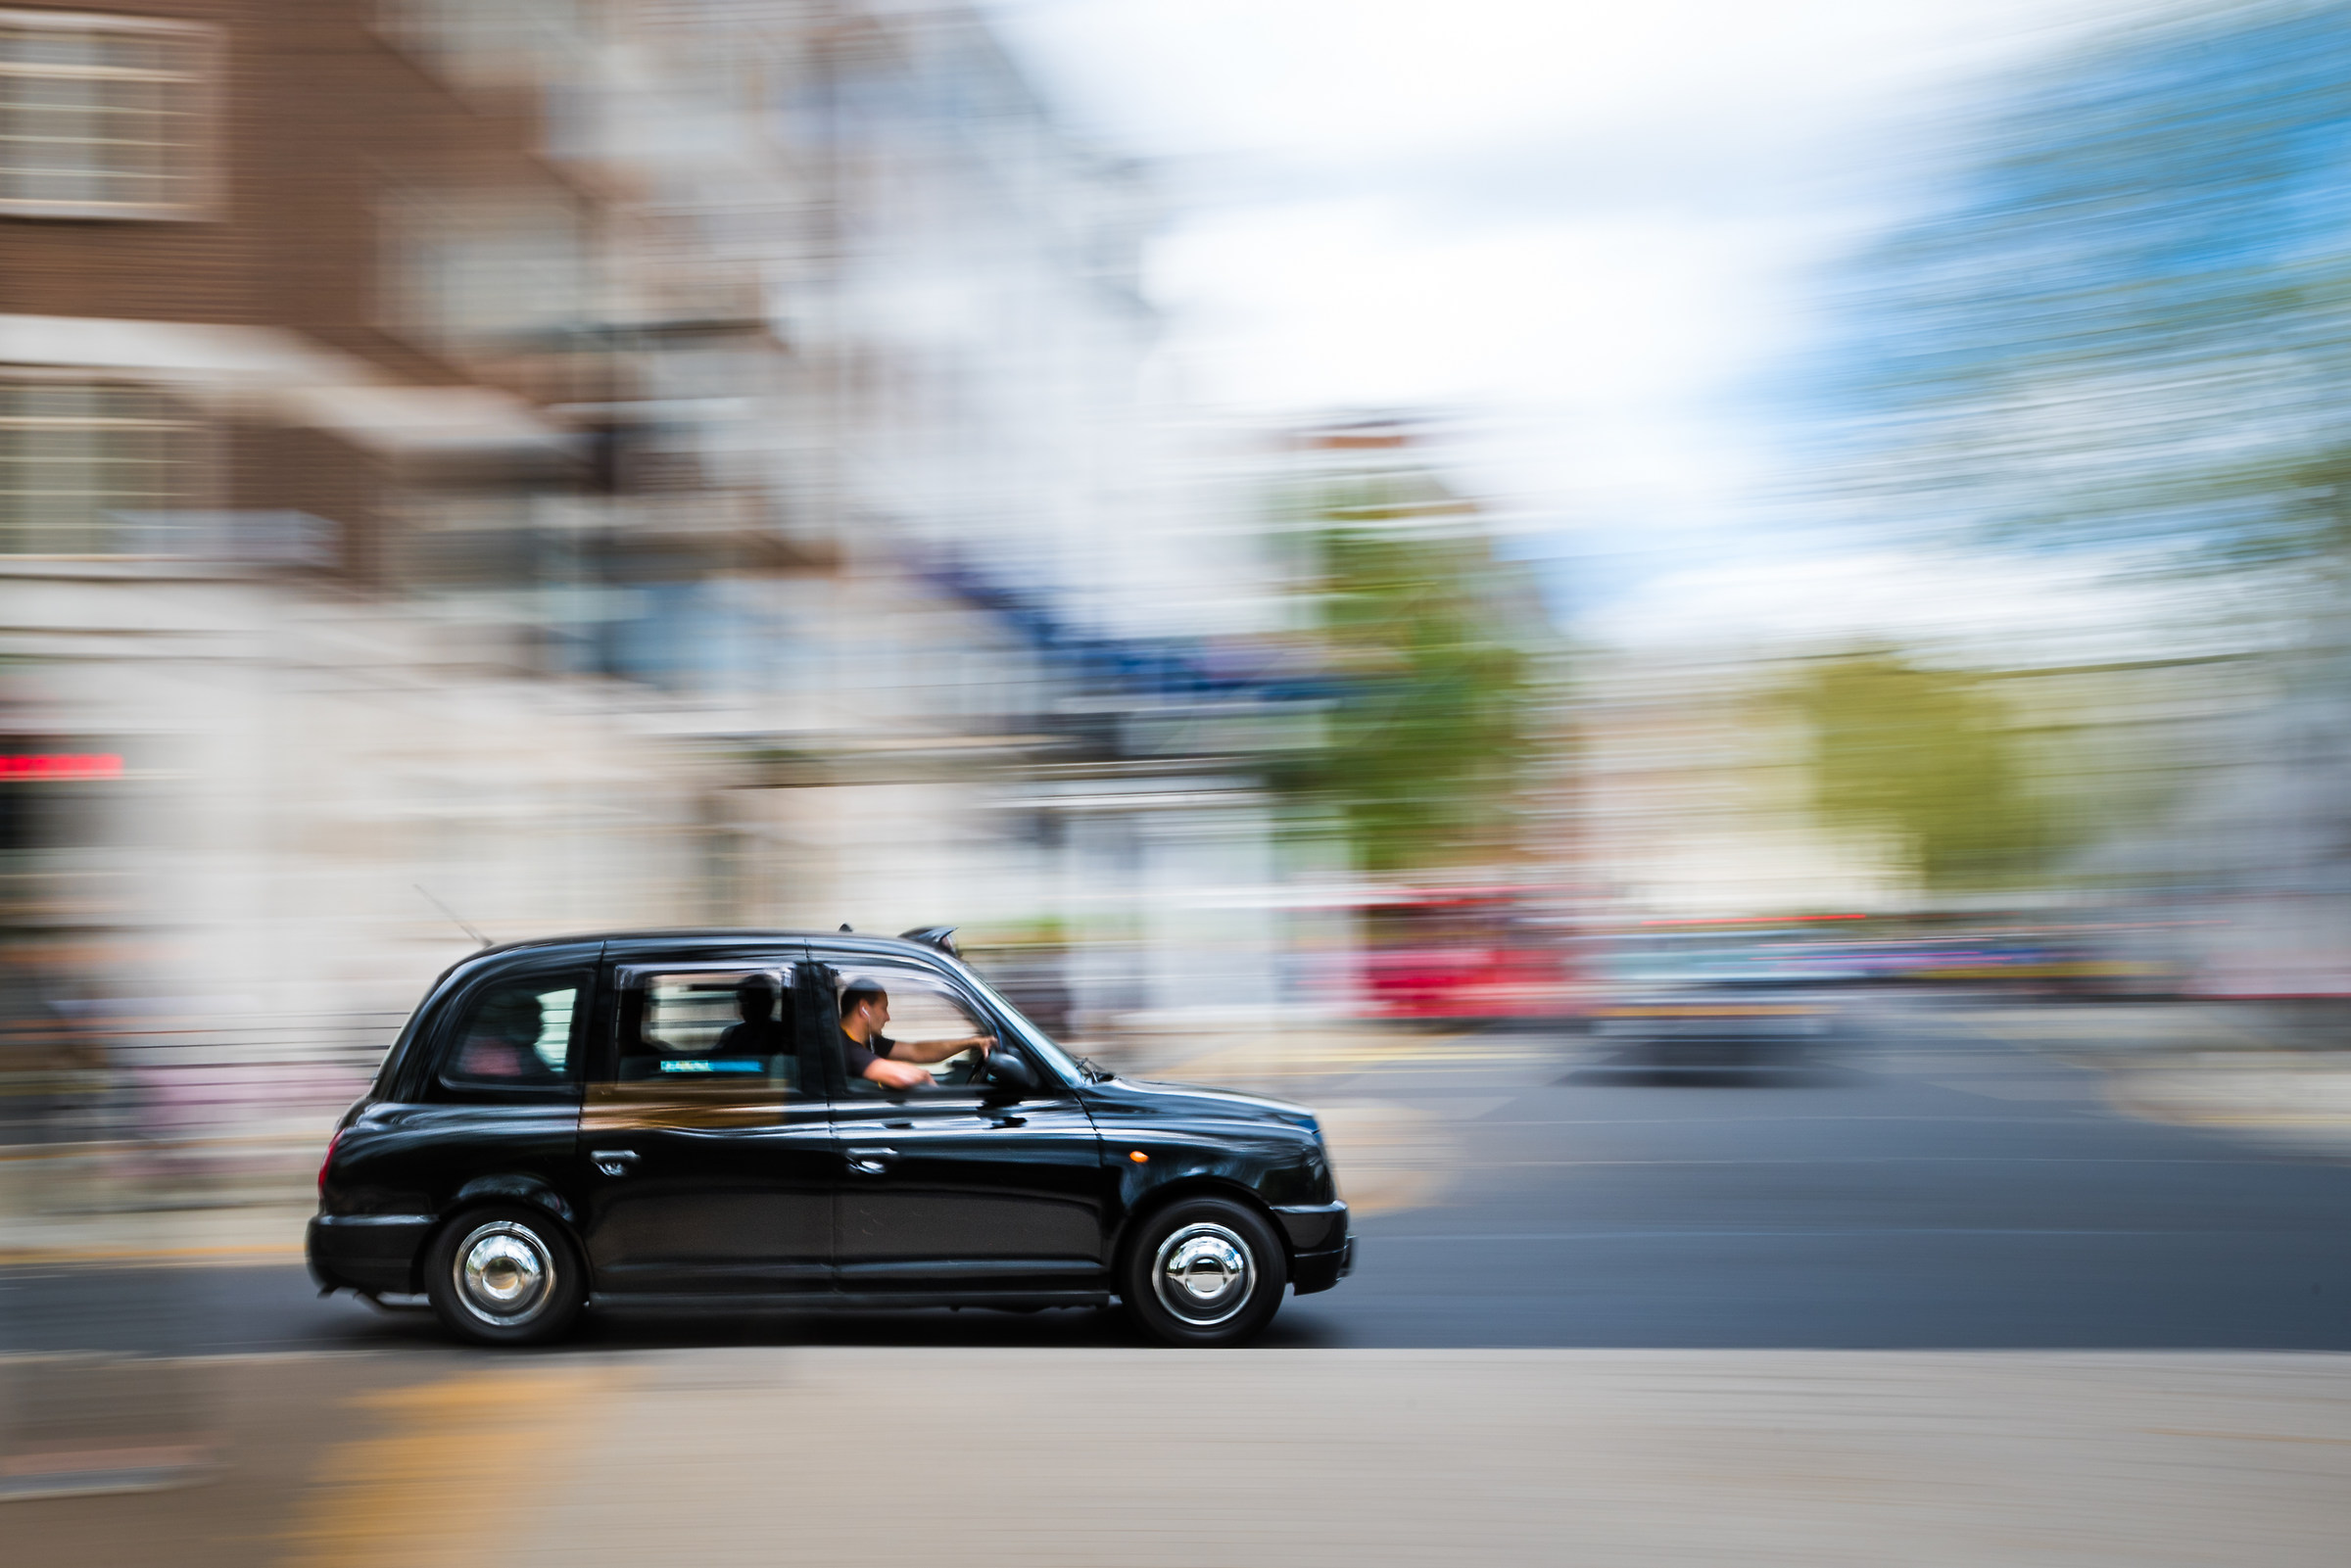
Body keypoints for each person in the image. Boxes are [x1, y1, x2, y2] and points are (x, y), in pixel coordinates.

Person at [839, 977, 994, 1091]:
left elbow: (917, 1051)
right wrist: (923, 1076)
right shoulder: (843, 1046)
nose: (888, 1017)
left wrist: (974, 1042)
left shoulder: (869, 1041)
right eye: (883, 1008)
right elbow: (900, 1077)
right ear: (864, 1008)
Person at [714, 974, 791, 1055]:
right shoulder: (736, 1033)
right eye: (742, 1002)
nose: (742, 1010)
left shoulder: (779, 1034)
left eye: (748, 1002)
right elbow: (716, 1056)